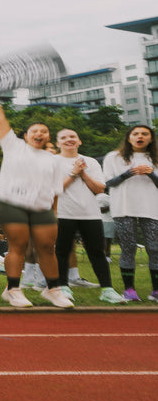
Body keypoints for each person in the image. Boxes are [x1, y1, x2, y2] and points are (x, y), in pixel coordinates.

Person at [0, 88, 71, 308]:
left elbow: (55, 190)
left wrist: (54, 213)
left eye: (44, 131)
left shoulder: (53, 160)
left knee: (47, 247)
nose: (39, 133)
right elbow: (1, 119)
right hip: (12, 203)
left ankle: (53, 289)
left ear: (48, 137)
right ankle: (13, 289)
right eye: (35, 130)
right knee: (19, 246)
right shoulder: (13, 146)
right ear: (26, 135)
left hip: (42, 207)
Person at [51, 128, 122, 304]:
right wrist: (73, 173)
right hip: (63, 213)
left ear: (79, 141)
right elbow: (53, 190)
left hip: (90, 214)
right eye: (64, 138)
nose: (69, 139)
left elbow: (99, 189)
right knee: (62, 251)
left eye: (73, 136)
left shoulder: (90, 162)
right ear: (58, 143)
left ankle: (107, 289)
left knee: (97, 251)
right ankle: (63, 287)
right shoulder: (52, 162)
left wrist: (83, 173)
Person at [102, 124, 158, 303]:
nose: (140, 136)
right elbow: (108, 183)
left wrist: (151, 174)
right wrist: (128, 174)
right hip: (124, 207)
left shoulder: (155, 157)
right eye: (136, 134)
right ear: (129, 137)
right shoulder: (114, 157)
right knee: (128, 247)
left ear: (151, 138)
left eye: (145, 134)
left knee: (155, 248)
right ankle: (129, 290)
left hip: (151, 207)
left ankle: (155, 291)